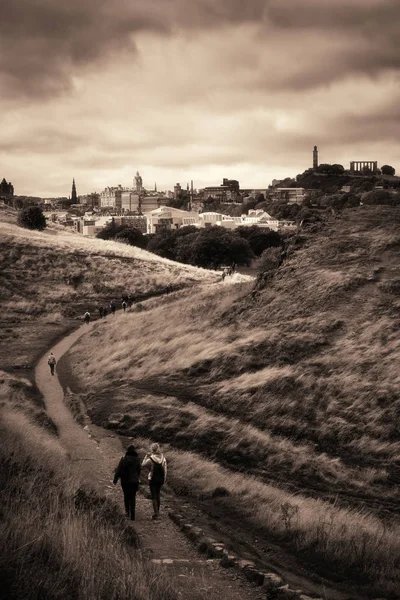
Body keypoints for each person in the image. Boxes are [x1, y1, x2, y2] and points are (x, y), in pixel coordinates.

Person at [113, 445, 141, 521]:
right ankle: (133, 515)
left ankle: (127, 512)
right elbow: (139, 470)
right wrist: (137, 477)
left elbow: (119, 470)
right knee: (133, 497)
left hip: (125, 481)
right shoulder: (137, 459)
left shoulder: (124, 459)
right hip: (134, 481)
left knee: (126, 496)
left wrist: (115, 480)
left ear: (127, 451)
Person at [142, 443, 167, 520]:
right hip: (160, 479)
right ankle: (158, 512)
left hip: (152, 479)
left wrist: (146, 456)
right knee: (158, 494)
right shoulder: (163, 458)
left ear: (152, 449)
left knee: (154, 496)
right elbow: (165, 469)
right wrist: (164, 478)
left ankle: (156, 514)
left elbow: (143, 465)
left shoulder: (151, 458)